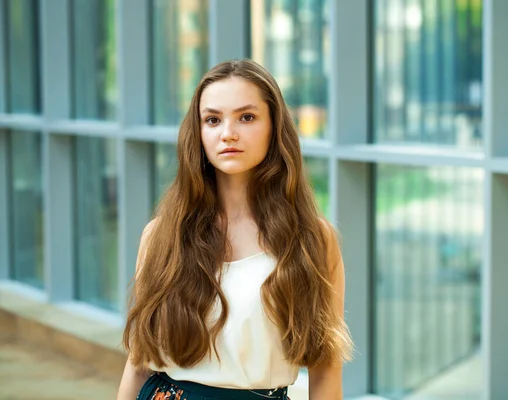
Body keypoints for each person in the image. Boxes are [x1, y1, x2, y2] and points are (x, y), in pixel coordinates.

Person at [116, 59, 353, 400]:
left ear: (274, 127)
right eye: (212, 119)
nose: (228, 133)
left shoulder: (312, 239)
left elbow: (327, 369)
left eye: (246, 117)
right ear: (197, 133)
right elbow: (139, 362)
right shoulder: (160, 236)